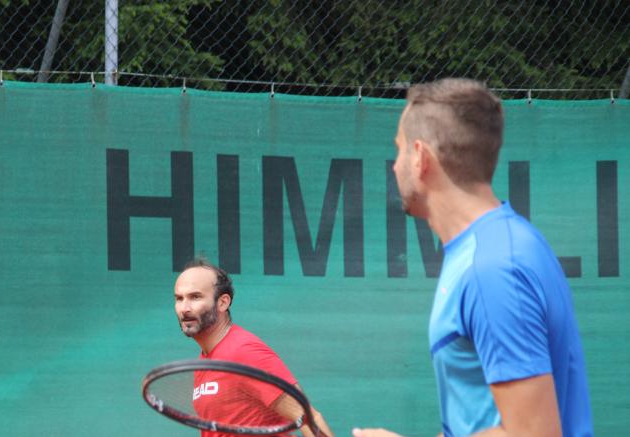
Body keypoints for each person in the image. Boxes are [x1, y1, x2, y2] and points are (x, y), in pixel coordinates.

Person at [353, 79, 592, 437]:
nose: (394, 166)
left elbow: (534, 433)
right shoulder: (493, 249)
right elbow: (483, 422)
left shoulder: (493, 270)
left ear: (420, 158)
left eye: (399, 149)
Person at [175, 258, 333, 437]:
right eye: (179, 298)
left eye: (195, 297)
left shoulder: (244, 352)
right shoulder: (204, 362)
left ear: (223, 303)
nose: (184, 308)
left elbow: (309, 417)